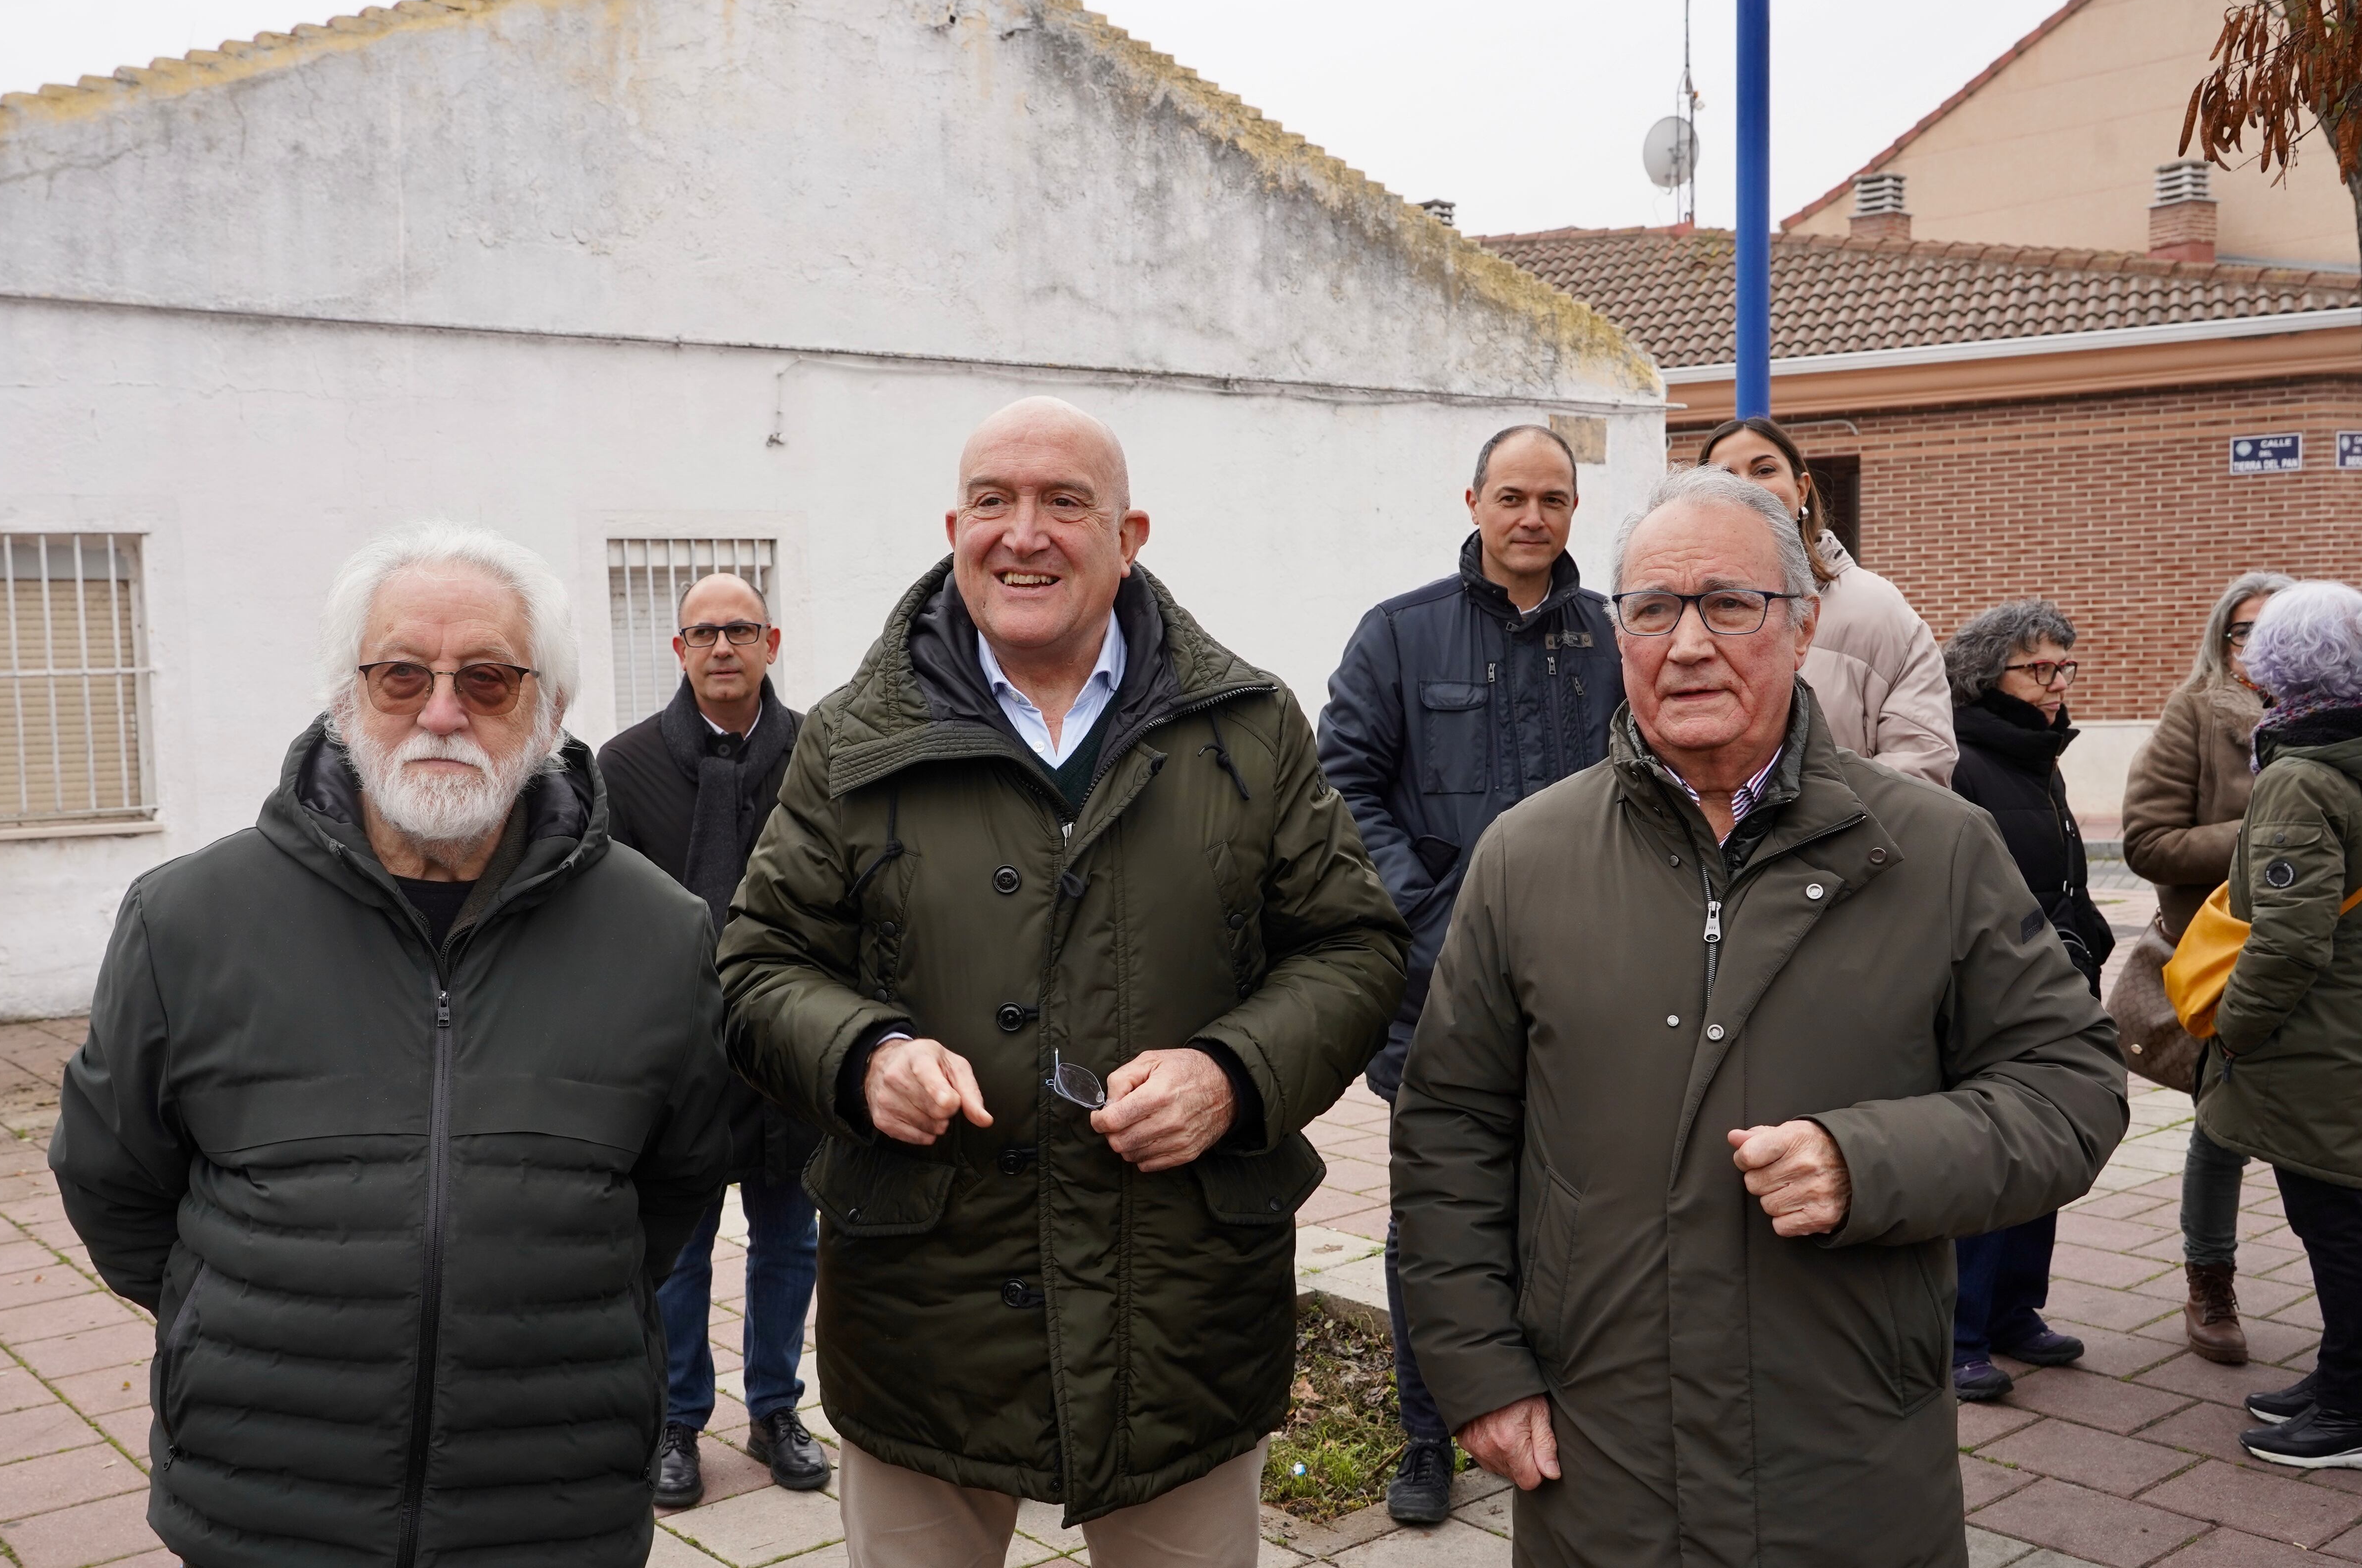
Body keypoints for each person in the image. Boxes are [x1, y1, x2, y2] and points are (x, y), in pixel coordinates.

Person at [1390, 468, 2125, 1567]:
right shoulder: (1526, 857)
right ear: (1617, 632)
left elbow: (2071, 1093)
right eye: (1651, 608)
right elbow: (1450, 1131)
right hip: (1602, 1460)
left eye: (1729, 604)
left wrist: (1866, 1159)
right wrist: (1481, 1377)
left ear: (1802, 628)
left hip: (1847, 1456)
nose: (1688, 644)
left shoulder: (1933, 848)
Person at [719, 396, 1407, 1567]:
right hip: (924, 1320)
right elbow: (755, 965)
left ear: (1130, 534)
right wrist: (861, 1052)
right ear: (954, 525)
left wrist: (1231, 1072)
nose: (1022, 532)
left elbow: (1356, 944)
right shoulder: (849, 741)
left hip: (1178, 1318)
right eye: (993, 501)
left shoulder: (1246, 728)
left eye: (1062, 502)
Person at [48, 522, 731, 1568]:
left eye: (490, 681)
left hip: (549, 1499)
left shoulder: (660, 931)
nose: (443, 712)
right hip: (269, 1495)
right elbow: (112, 1177)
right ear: (344, 700)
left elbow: (676, 1186)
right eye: (401, 676)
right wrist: (221, 1308)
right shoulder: (188, 919)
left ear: (549, 713)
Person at [1315, 423, 1623, 1524]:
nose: (1530, 516)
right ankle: (1426, 1435)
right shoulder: (1399, 637)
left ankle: (1562, 1410)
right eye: (1511, 496)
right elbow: (1340, 781)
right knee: (1436, 1223)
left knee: (1582, 1214)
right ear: (1473, 501)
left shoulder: (1617, 637)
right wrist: (1435, 910)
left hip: (1599, 990)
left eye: (1552, 498)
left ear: (1573, 511)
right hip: (1440, 993)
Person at [598, 571, 828, 1504]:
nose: (722, 646)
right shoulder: (624, 764)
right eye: (704, 632)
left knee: (790, 1239)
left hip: (793, 1045)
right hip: (681, 1051)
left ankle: (777, 1409)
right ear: (679, 649)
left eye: (740, 629)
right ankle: (676, 1421)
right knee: (680, 1246)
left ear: (772, 642)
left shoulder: (822, 750)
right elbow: (605, 915)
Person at [2193, 582, 2362, 1468]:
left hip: (2318, 1044)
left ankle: (2349, 1407)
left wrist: (2237, 1027)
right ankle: (2337, 1375)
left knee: (2335, 1226)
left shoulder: (2301, 773)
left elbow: (2293, 937)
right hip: (2347, 1032)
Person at [1937, 598, 2114, 1402]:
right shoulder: (1962, 760)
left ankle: (2015, 1311)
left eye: (2063, 666)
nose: (2055, 683)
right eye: (2038, 667)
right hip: (1992, 999)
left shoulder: (2040, 756)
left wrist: (2090, 934)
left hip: (2054, 994)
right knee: (1988, 1160)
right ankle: (1960, 1333)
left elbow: (2061, 870)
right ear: (1988, 676)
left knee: (2042, 1154)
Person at [2124, 571, 2292, 1365]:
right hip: (2228, 957)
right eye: (2243, 631)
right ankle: (2210, 1283)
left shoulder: (2336, 720)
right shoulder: (2196, 711)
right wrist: (2271, 833)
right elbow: (2148, 842)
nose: (2258, 647)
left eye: (2278, 629)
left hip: (2326, 960)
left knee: (2323, 1133)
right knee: (2221, 1131)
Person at [1698, 416, 1955, 785]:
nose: (1745, 488)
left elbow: (1921, 761)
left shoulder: (1879, 610)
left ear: (1802, 489)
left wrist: (1825, 829)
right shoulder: (1679, 614)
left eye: (1764, 470)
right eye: (1723, 478)